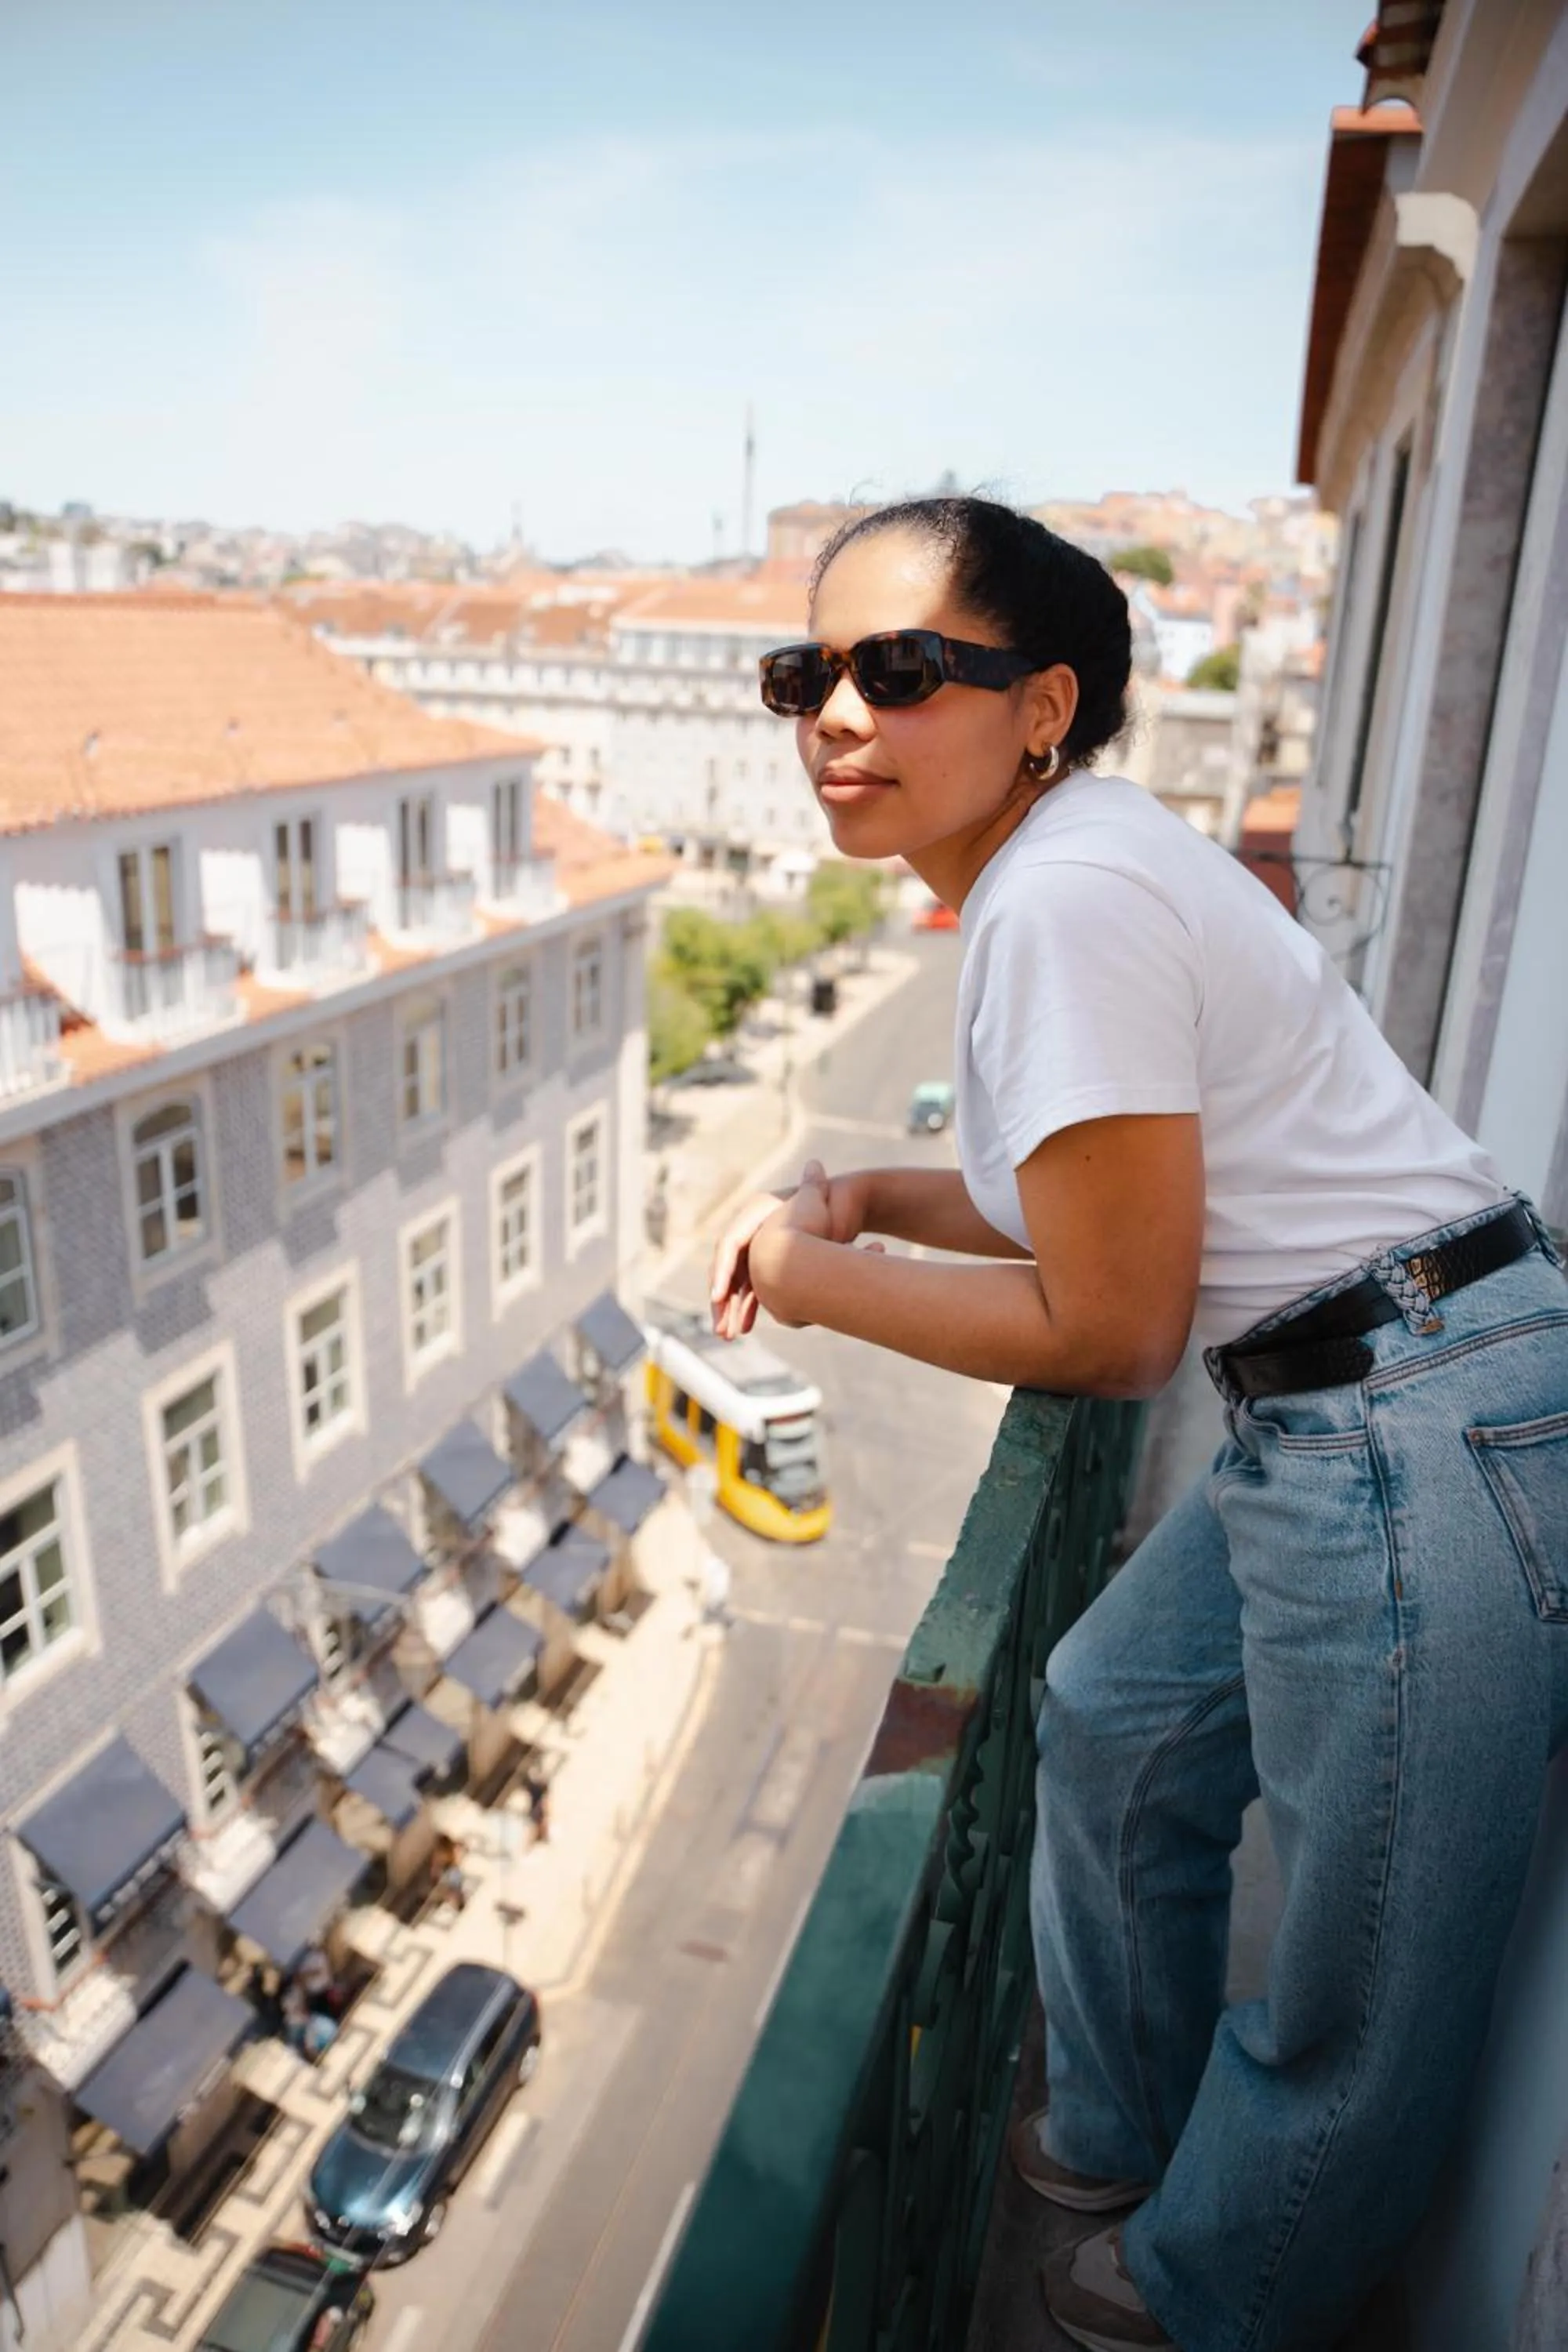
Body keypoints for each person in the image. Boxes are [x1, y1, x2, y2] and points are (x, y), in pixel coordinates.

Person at [708, 495, 1568, 2352]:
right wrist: (876, 1187)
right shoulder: (1062, 871)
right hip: (1354, 1394)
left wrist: (799, 1266)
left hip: (1419, 1420)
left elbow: (1107, 1326)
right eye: (807, 674)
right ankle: (1117, 2135)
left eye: (899, 669)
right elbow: (1086, 1199)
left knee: (1361, 1986)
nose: (835, 716)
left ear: (1042, 706)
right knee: (1109, 1716)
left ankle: (1205, 2294)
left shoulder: (1067, 901)